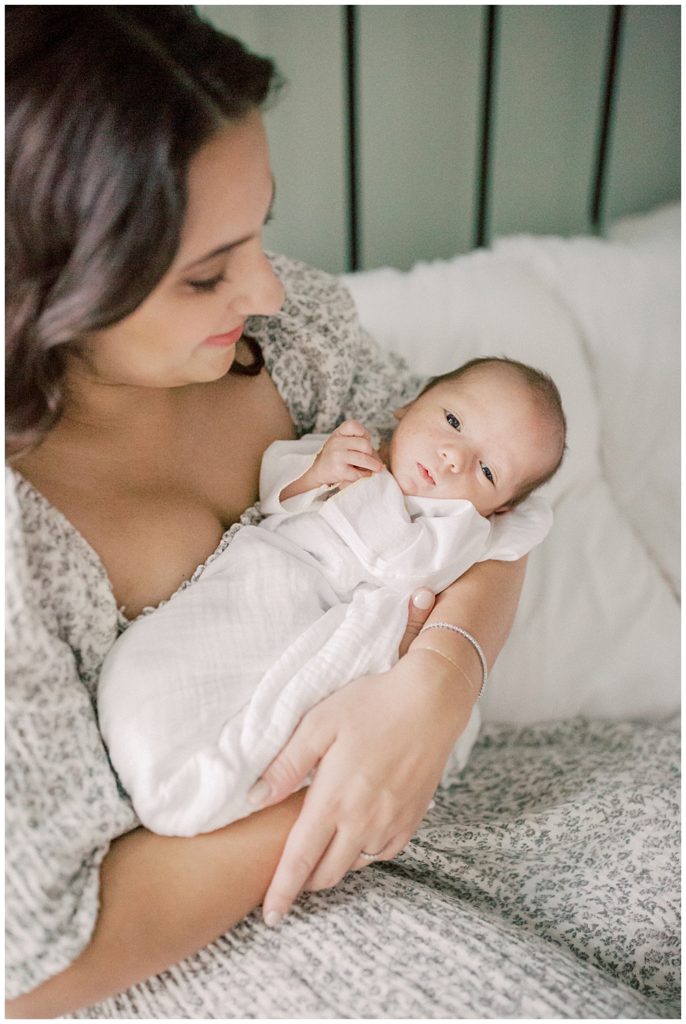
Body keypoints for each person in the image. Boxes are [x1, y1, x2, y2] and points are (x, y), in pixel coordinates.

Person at [5, 7, 530, 1016]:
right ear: (42, 288)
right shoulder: (20, 545)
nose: (267, 289)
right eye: (206, 272)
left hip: (434, 786)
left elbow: (495, 508)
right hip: (219, 928)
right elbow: (36, 962)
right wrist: (349, 777)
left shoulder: (297, 340)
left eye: (260, 233)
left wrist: (435, 685)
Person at [98, 356, 565, 838]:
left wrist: (499, 505)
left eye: (487, 470)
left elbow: (531, 523)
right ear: (409, 405)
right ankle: (160, 728)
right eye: (452, 421)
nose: (454, 457)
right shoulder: (348, 455)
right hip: (273, 581)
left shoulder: (465, 530)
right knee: (175, 664)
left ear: (499, 507)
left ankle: (224, 782)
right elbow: (274, 499)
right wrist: (317, 473)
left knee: (291, 715)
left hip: (350, 635)